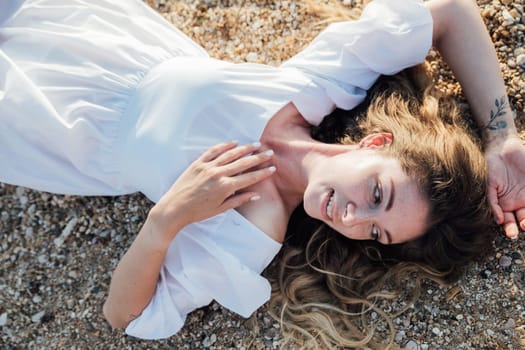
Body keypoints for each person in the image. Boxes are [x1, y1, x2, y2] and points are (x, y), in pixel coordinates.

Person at [0, 0, 524, 347]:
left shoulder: (255, 223)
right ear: (377, 143)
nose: (351, 216)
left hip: (44, 123)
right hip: (89, 28)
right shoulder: (319, 85)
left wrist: (167, 219)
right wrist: (501, 135)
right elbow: (450, 11)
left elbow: (129, 316)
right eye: (376, 194)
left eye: (374, 231)